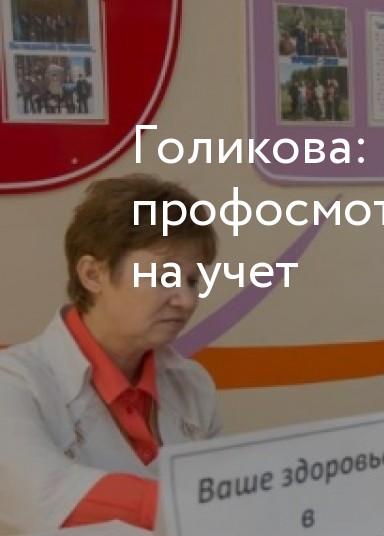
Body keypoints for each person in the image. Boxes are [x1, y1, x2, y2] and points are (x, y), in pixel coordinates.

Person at [0, 175, 222, 534]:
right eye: (165, 277)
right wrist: (199, 504)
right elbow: (38, 497)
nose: (186, 300)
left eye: (192, 281)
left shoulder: (193, 384)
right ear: (92, 275)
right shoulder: (13, 382)